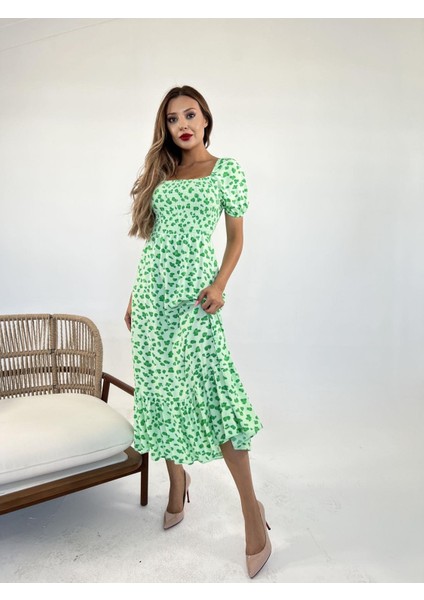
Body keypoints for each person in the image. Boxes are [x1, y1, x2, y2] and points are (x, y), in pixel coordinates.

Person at [124, 85, 271, 578]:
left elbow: (236, 237)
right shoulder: (163, 173)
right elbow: (154, 242)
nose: (182, 125)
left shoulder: (225, 170)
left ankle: (251, 512)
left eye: (190, 115)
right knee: (161, 391)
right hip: (153, 298)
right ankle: (177, 482)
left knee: (215, 393)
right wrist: (134, 297)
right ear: (165, 128)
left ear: (206, 119)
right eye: (172, 119)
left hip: (196, 299)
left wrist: (220, 284)